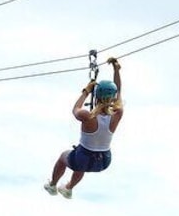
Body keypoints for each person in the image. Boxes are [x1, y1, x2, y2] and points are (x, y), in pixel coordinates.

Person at [44, 57, 123, 199]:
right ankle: (68, 188)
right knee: (81, 163)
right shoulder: (117, 114)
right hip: (104, 161)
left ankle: (53, 185)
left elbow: (75, 109)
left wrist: (86, 91)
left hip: (83, 157)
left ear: (96, 96)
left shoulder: (87, 116)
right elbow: (118, 92)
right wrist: (116, 70)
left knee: (65, 157)